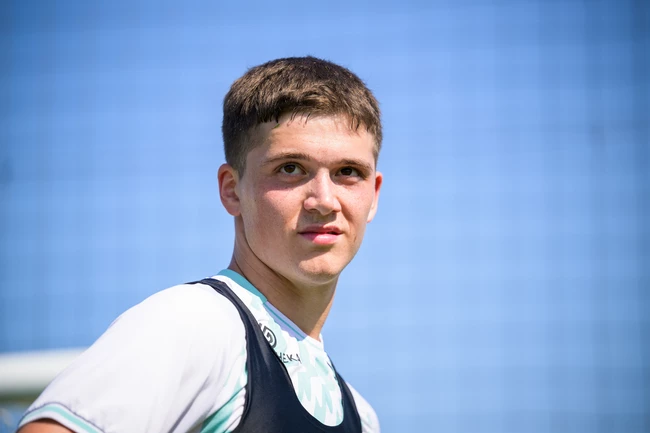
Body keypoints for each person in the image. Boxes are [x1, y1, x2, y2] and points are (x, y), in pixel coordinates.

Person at [18, 56, 383, 433]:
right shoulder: (196, 324)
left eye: (348, 172)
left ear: (373, 195)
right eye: (290, 168)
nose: (324, 200)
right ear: (232, 190)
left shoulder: (362, 416)